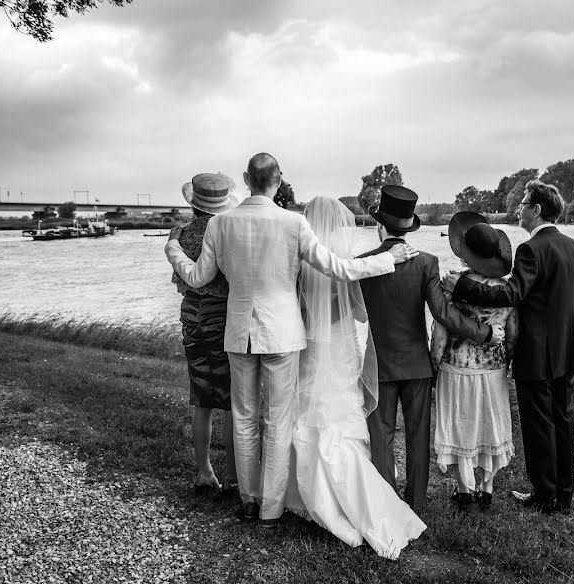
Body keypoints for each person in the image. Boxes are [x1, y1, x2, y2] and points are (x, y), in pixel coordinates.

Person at [165, 153, 418, 526]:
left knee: (246, 416)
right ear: (278, 180)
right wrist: (388, 259)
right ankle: (270, 508)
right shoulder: (293, 223)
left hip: (238, 333)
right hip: (282, 333)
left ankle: (249, 501)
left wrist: (172, 250)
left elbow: (198, 278)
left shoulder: (221, 224)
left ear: (247, 179)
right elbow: (340, 269)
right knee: (279, 420)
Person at [289, 195, 426, 559]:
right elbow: (361, 316)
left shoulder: (302, 263)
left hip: (311, 347)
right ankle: (376, 502)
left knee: (310, 417)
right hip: (341, 348)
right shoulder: (346, 265)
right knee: (342, 422)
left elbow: (301, 309)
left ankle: (309, 498)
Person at [443, 181, 574, 514]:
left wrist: (463, 284)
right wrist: (573, 341)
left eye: (523, 204)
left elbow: (511, 294)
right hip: (567, 350)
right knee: (563, 421)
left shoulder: (531, 250)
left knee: (539, 425)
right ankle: (564, 493)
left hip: (537, 353)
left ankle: (543, 496)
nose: (519, 209)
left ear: (536, 210)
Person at [357, 185, 504, 512]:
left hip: (377, 364)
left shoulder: (363, 264)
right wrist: (484, 332)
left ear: (381, 226)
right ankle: (416, 503)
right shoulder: (427, 263)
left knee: (381, 436)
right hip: (417, 365)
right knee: (416, 437)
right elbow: (443, 314)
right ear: (409, 227)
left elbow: (354, 313)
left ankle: (384, 505)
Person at [430, 213, 518, 511]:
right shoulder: (507, 290)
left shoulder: (452, 284)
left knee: (461, 424)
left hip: (456, 366)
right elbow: (513, 333)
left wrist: (434, 362)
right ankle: (487, 487)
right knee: (488, 425)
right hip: (493, 369)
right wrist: (508, 360)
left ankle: (464, 489)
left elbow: (440, 330)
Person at [173, 172, 241, 496]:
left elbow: (180, 279)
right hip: (220, 315)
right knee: (230, 402)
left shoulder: (182, 234)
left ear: (195, 204)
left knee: (201, 399)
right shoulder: (226, 234)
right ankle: (231, 477)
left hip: (191, 314)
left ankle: (203, 471)